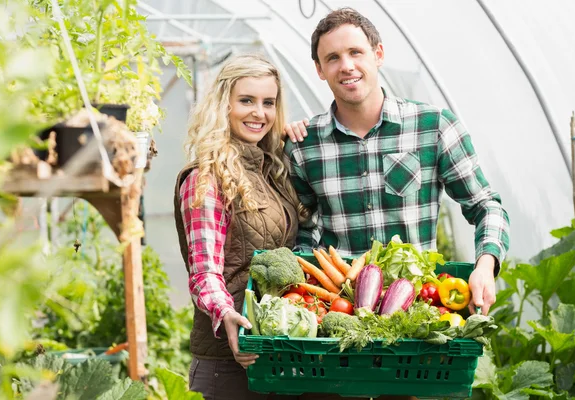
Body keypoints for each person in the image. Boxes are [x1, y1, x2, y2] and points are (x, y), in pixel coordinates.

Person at [283, 7, 509, 332]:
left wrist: (485, 265)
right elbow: (304, 231)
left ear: (378, 54)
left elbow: (485, 206)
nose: (346, 66)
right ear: (319, 69)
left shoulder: (434, 128)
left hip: (419, 309)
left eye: (355, 52)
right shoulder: (305, 145)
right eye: (332, 58)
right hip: (339, 313)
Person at [173, 54, 307, 400]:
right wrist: (227, 315)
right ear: (224, 105)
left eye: (269, 103)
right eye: (246, 100)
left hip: (270, 353)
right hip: (227, 362)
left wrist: (293, 141)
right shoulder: (206, 178)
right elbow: (204, 271)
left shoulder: (271, 171)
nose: (258, 113)